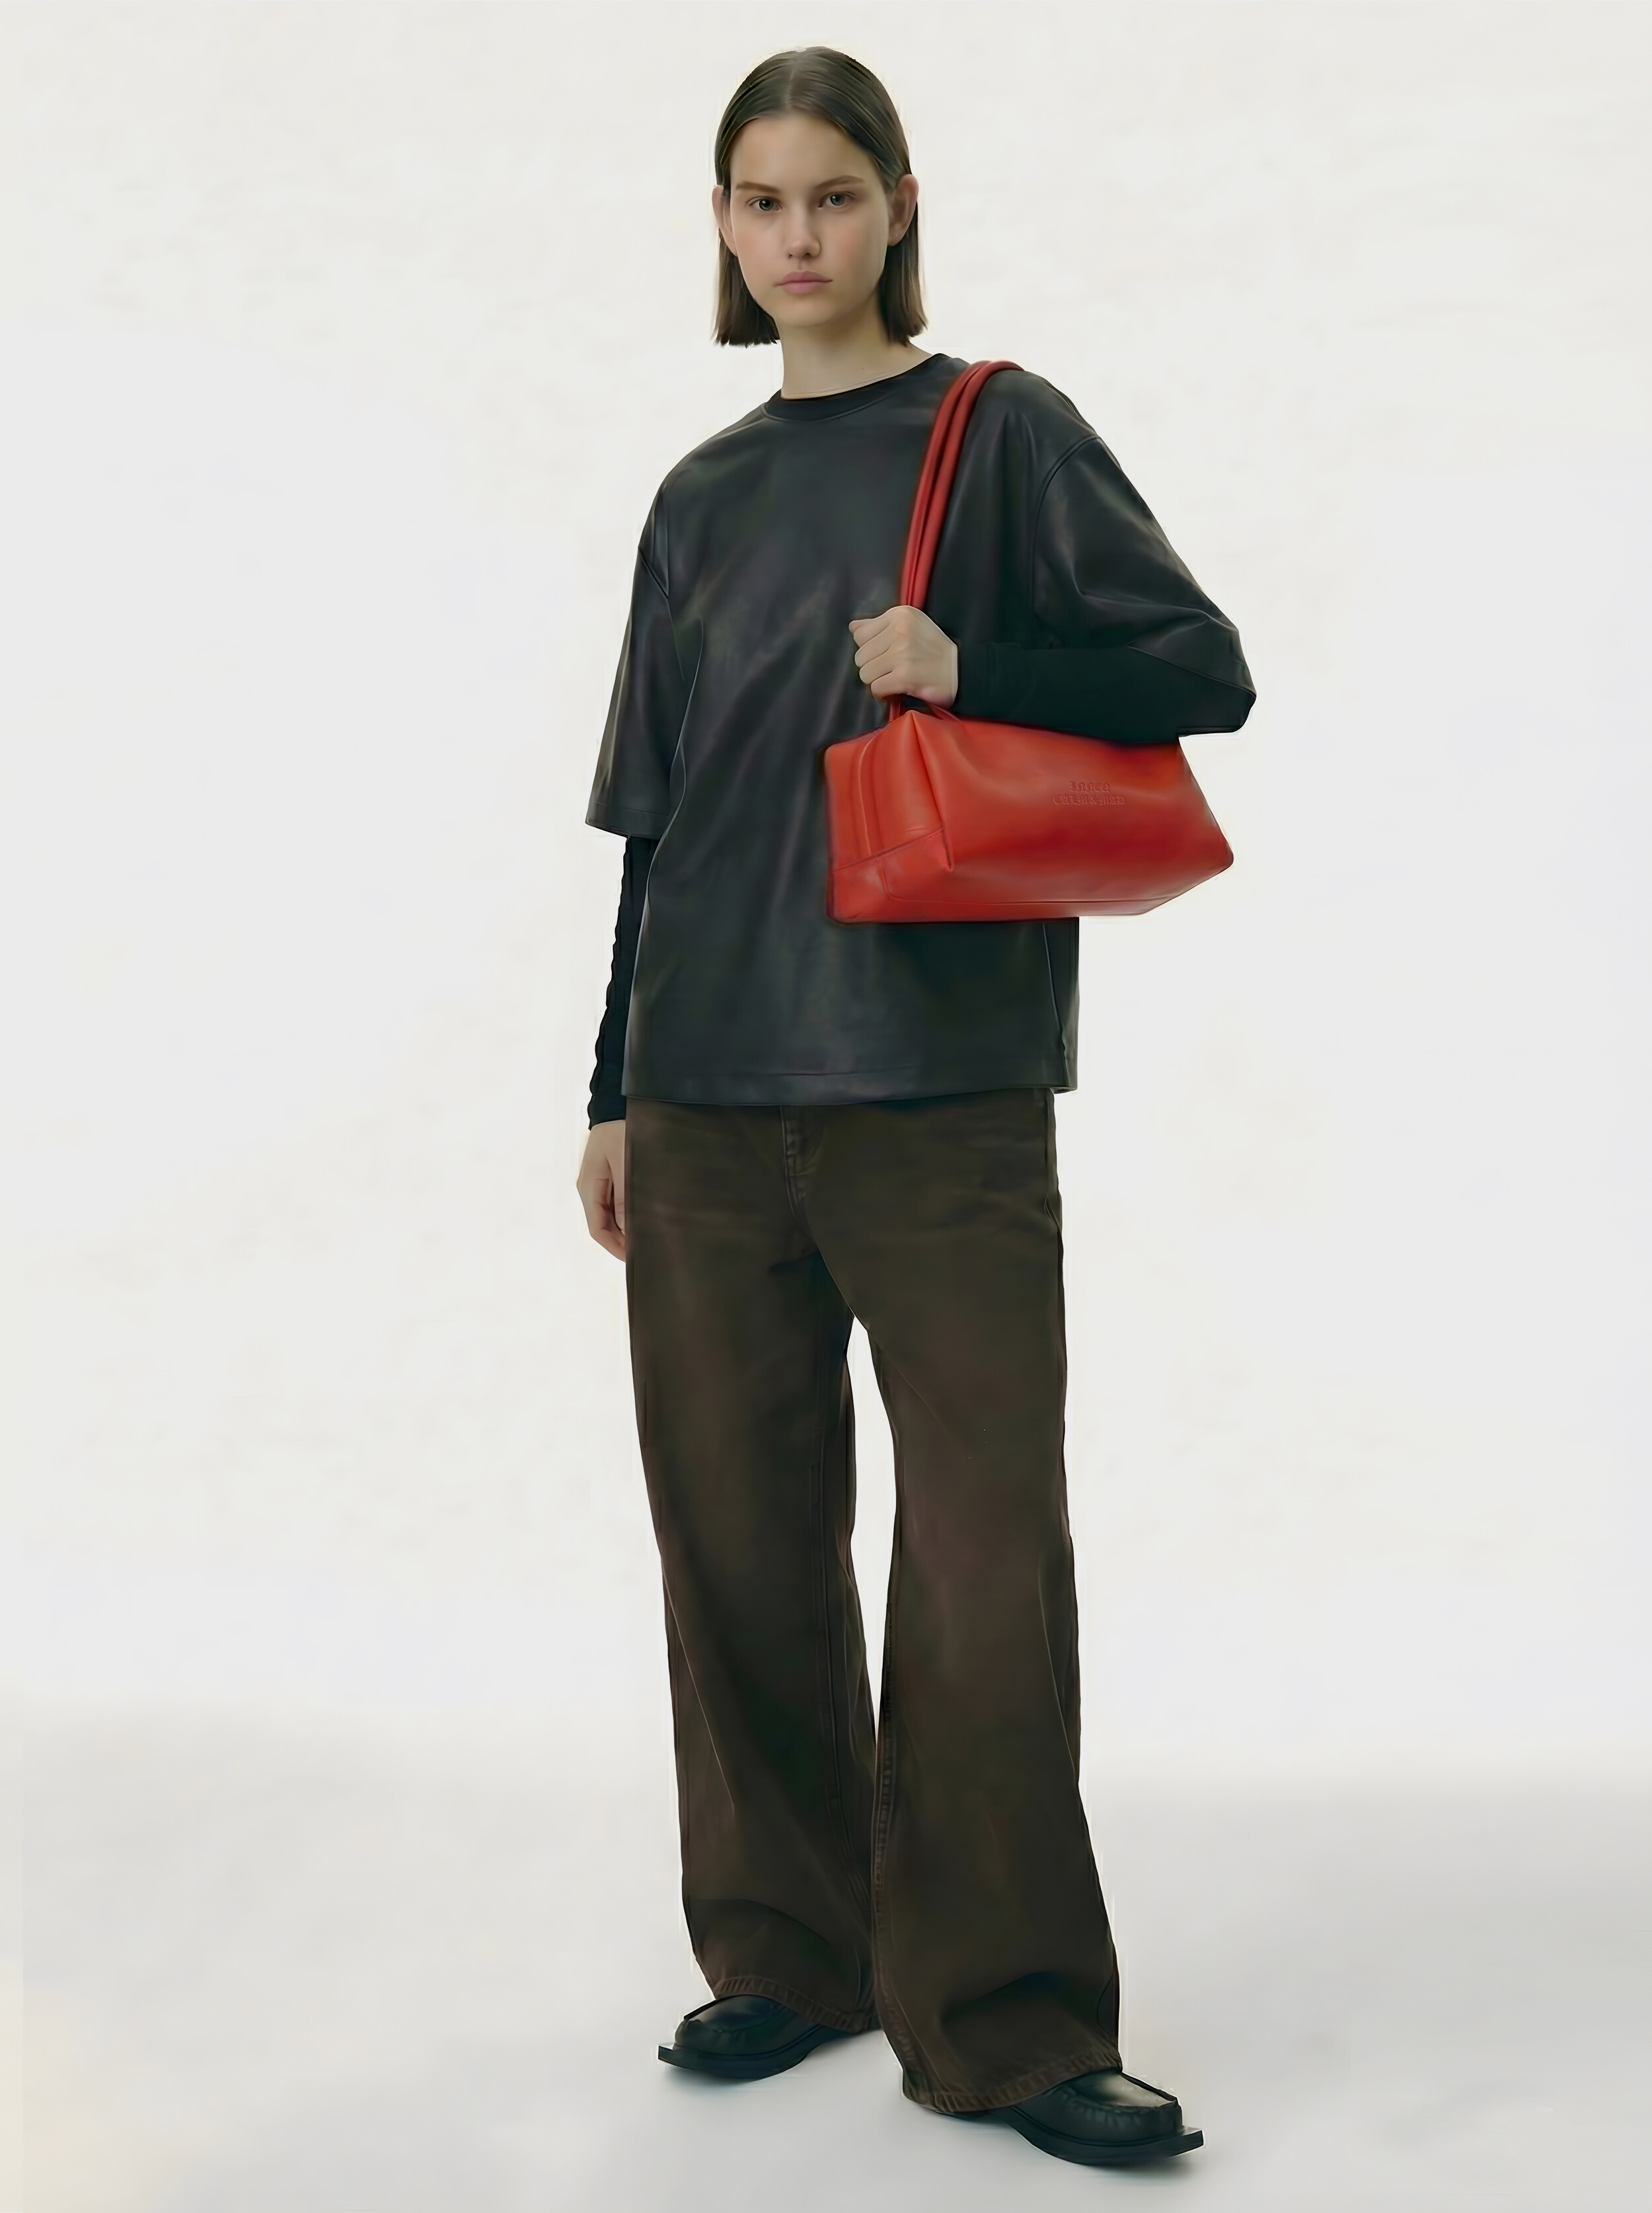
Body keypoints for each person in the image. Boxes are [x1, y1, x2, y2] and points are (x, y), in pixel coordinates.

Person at [574, 46, 1254, 2171]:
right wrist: (609, 1087)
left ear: (898, 208)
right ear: (721, 224)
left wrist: (975, 669)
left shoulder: (1001, 434)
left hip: (935, 1093)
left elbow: (1200, 669)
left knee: (979, 1553)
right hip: (703, 1092)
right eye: (760, 200)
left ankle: (1007, 2013)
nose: (797, 235)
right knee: (733, 1537)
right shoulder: (697, 495)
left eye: (833, 196)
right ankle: (791, 1947)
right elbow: (656, 824)